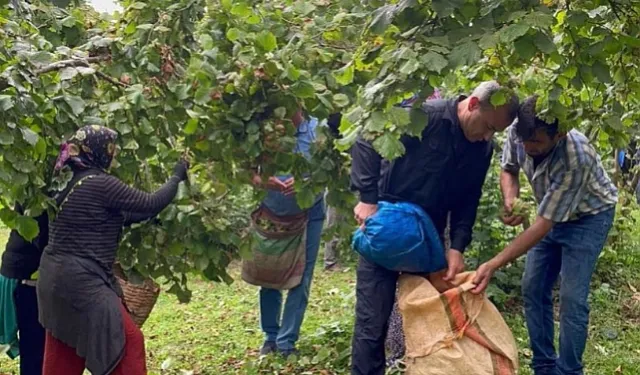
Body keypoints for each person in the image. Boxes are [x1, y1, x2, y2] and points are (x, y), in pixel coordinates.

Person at [349, 81, 520, 375]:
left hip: (428, 240)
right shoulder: (424, 116)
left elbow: (469, 197)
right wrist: (367, 200)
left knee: (426, 317)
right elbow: (367, 137)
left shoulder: (482, 149)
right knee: (371, 321)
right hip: (386, 228)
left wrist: (457, 246)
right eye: (488, 126)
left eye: (496, 132)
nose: (487, 136)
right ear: (473, 105)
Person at [472, 96, 618, 375]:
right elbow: (508, 170)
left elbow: (542, 226)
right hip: (549, 212)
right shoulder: (521, 131)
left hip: (589, 217)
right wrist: (510, 199)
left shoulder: (577, 156)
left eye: (536, 142)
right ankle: (543, 366)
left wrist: (493, 264)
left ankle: (568, 370)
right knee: (533, 286)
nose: (528, 147)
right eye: (525, 141)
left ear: (559, 134)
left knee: (572, 298)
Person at [36, 125, 189, 375]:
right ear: (97, 150)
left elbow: (109, 217)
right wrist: (176, 176)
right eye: (111, 150)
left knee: (64, 346)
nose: (114, 156)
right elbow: (150, 203)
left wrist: (151, 218)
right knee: (128, 341)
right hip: (81, 282)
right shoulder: (101, 183)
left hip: (54, 279)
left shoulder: (66, 179)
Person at [252, 110, 326, 357]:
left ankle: (286, 343)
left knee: (301, 277)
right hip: (273, 213)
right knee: (270, 275)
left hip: (309, 214)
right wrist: (264, 181)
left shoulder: (319, 130)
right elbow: (246, 172)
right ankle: (270, 338)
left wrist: (309, 180)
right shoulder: (264, 131)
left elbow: (333, 172)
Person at [0, 204, 48, 375]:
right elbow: (43, 239)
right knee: (35, 349)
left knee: (37, 348)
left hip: (21, 273)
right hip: (24, 279)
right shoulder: (40, 197)